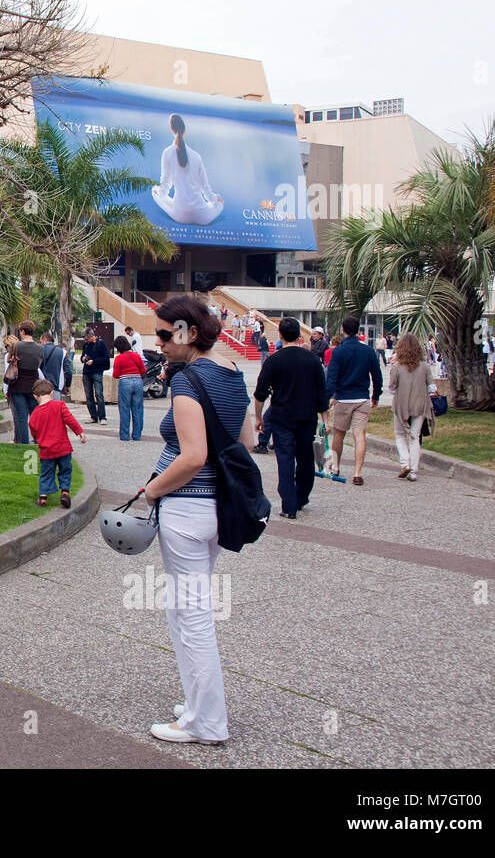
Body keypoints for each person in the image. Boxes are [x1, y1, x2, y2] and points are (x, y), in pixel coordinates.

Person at [143, 294, 252, 744]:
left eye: (166, 335)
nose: (161, 344)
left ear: (188, 333)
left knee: (193, 617)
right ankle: (197, 703)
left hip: (187, 508)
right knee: (185, 609)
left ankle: (206, 723)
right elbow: (245, 439)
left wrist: (151, 491)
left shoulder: (188, 381)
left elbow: (193, 456)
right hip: (214, 509)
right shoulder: (231, 372)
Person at [253, 317, 329, 518]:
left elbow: (261, 393)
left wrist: (259, 417)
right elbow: (322, 392)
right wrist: (326, 420)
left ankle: (289, 505)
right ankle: (301, 496)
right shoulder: (312, 359)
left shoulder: (273, 360)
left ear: (279, 335)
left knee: (285, 460)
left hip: (281, 417)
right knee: (305, 459)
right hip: (306, 416)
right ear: (299, 335)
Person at [324, 315, 383, 486]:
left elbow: (332, 378)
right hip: (362, 397)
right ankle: (357, 473)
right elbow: (377, 376)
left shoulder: (338, 352)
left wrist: (327, 398)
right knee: (360, 435)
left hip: (343, 398)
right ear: (358, 331)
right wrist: (376, 396)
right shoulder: (368, 351)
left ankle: (335, 466)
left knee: (339, 434)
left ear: (343, 331)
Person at [150, 114, 225, 226]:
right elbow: (205, 188)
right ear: (184, 130)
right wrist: (216, 200)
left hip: (180, 215)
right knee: (219, 204)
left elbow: (165, 185)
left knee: (154, 191)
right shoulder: (196, 156)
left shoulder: (167, 152)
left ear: (172, 129)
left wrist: (158, 191)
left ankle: (156, 192)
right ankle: (216, 202)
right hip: (202, 217)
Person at [28, 378, 86, 508]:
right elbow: (70, 420)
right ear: (52, 393)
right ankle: (65, 492)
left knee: (46, 473)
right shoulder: (59, 405)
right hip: (63, 447)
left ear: (35, 396)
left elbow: (33, 430)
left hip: (46, 450)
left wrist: (40, 438)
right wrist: (79, 432)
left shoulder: (35, 413)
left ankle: (43, 497)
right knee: (65, 470)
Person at [388, 333, 433, 482]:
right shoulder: (425, 366)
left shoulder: (397, 367)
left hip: (401, 405)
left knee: (400, 435)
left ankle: (405, 463)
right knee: (415, 436)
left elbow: (392, 388)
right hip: (420, 404)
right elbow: (432, 387)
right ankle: (413, 470)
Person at [6, 321, 44, 445]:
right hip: (33, 384)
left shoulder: (16, 346)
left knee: (22, 416)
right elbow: (38, 365)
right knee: (34, 415)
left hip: (18, 384)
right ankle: (38, 440)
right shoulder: (40, 348)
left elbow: (9, 359)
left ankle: (24, 443)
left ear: (22, 331)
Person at [112, 335, 146, 441]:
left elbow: (115, 374)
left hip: (125, 382)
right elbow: (143, 370)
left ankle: (125, 435)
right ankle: (137, 435)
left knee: (124, 409)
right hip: (138, 382)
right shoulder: (136, 356)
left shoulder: (119, 358)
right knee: (138, 409)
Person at [80, 328, 110, 425]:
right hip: (86, 372)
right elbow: (82, 356)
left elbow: (105, 357)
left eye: (86, 338)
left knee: (99, 395)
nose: (85, 340)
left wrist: (94, 361)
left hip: (97, 371)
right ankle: (93, 416)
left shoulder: (101, 344)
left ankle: (102, 417)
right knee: (88, 396)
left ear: (91, 336)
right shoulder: (86, 345)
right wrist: (83, 358)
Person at [39, 331, 66, 401]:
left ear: (45, 339)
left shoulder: (38, 350)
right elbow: (68, 370)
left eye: (41, 341)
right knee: (55, 410)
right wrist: (67, 384)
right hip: (56, 387)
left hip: (41, 387)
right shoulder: (62, 352)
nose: (40, 343)